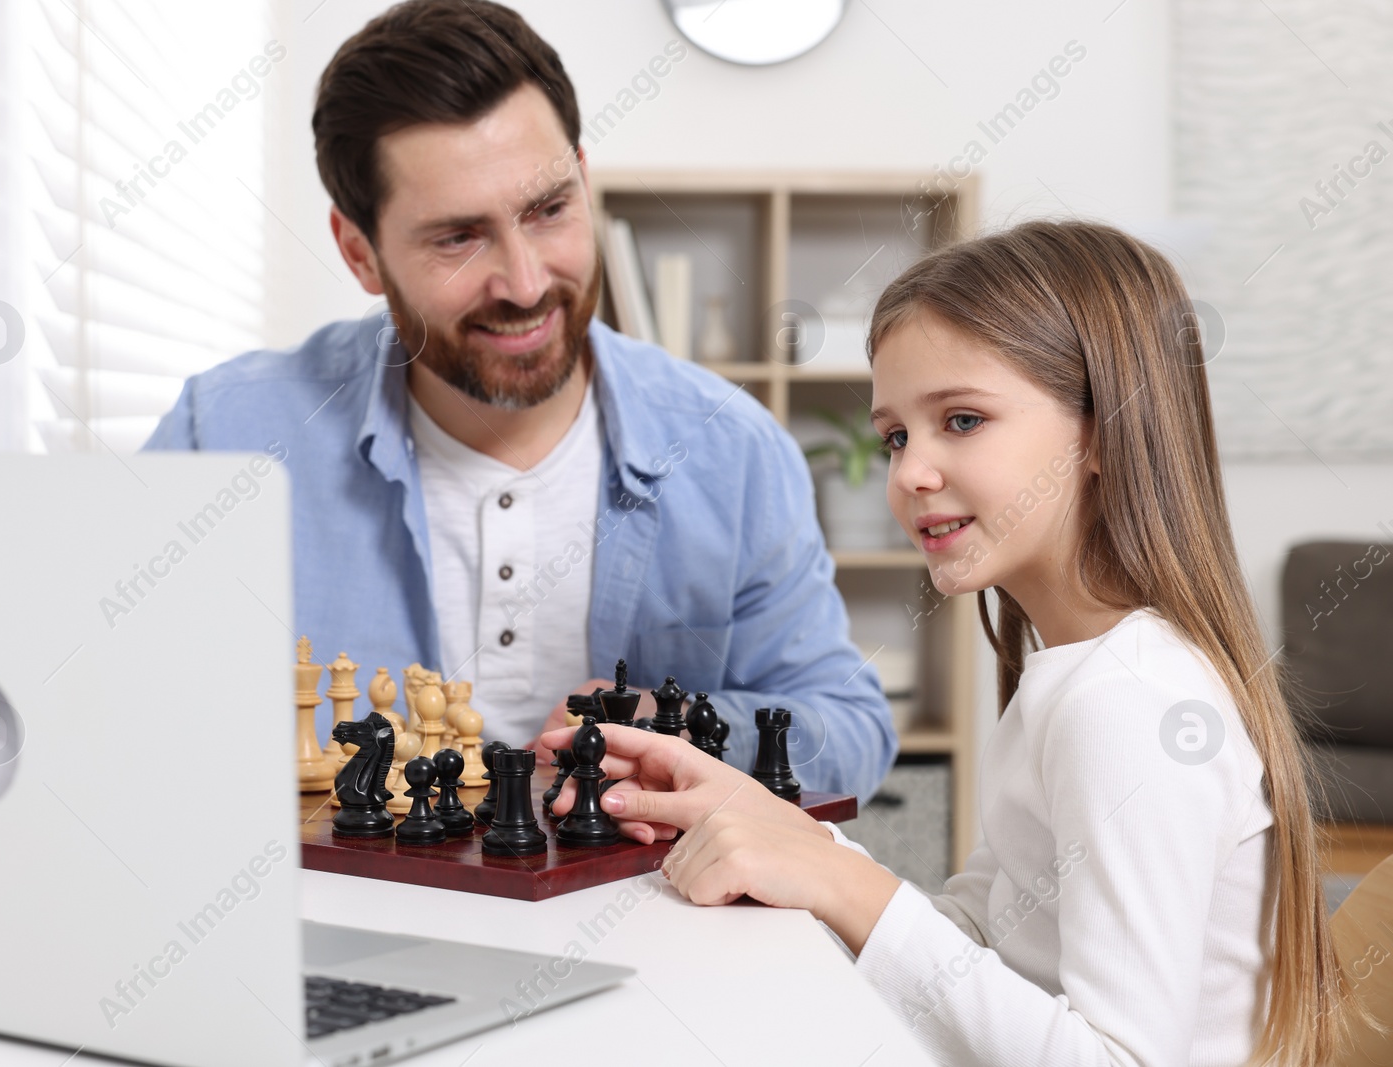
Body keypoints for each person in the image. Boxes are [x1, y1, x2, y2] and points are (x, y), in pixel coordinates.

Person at [547, 219, 1358, 1065]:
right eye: (896, 434)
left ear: (1105, 433)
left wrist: (841, 881)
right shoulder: (1072, 674)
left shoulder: (1127, 702)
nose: (909, 472)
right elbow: (978, 940)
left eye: (962, 420)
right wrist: (777, 829)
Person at [140, 0, 895, 801]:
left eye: (548, 210)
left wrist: (675, 725)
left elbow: (849, 732)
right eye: (458, 237)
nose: (527, 282)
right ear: (360, 251)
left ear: (584, 177)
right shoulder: (220, 434)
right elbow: (119, 711)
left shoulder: (733, 451)